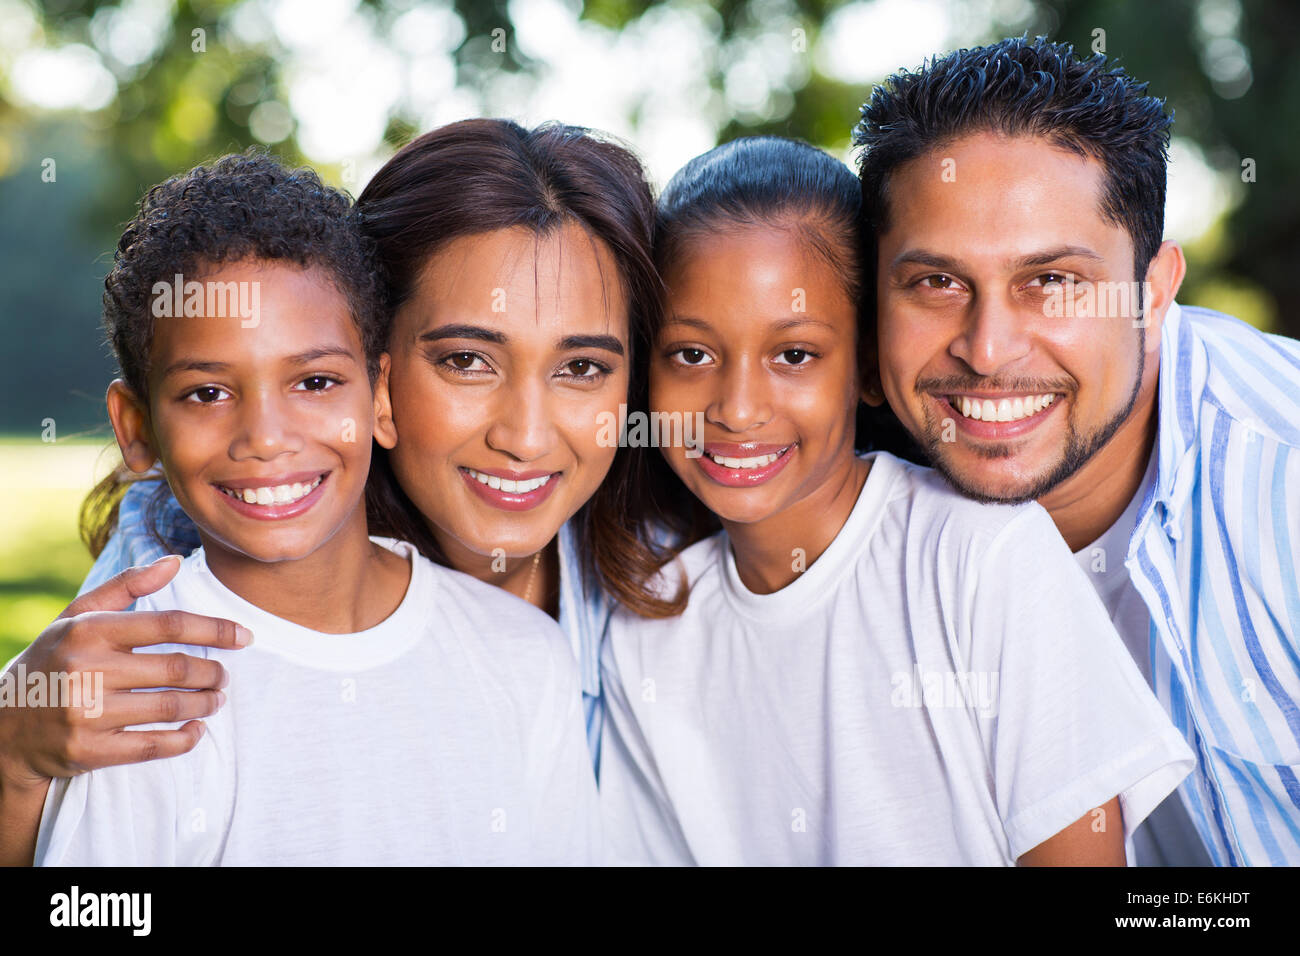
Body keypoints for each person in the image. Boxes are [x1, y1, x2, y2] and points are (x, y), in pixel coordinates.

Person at [0, 120, 676, 865]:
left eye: (581, 369)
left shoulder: (670, 578)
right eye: (465, 360)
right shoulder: (167, 608)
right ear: (384, 371)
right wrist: (12, 747)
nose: (526, 434)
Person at [597, 136, 1195, 865]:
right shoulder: (645, 632)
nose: (738, 407)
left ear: (870, 369)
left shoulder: (981, 557)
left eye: (795, 355)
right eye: (691, 354)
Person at [859, 35, 1300, 865]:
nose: (987, 350)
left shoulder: (1283, 475)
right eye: (936, 283)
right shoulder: (840, 502)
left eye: (1053, 281)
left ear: (1154, 292)